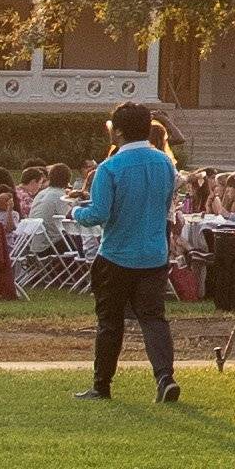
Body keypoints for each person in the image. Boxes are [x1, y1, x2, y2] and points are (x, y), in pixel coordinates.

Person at [81, 100, 185, 403]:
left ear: (119, 131)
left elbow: (99, 213)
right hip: (153, 252)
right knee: (154, 318)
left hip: (116, 253)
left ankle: (102, 384)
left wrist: (77, 213)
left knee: (110, 321)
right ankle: (165, 376)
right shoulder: (164, 163)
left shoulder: (110, 168)